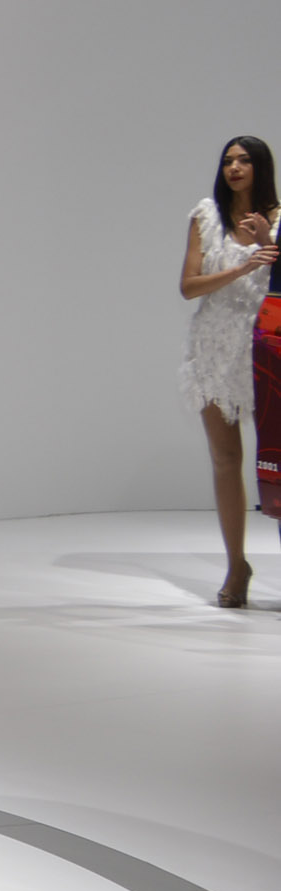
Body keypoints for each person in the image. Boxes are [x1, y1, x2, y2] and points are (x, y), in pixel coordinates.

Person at [179, 135, 278, 607]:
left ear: (262, 166)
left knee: (277, 462)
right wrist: (241, 267)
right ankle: (236, 565)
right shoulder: (207, 216)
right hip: (216, 347)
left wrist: (266, 244)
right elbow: (189, 285)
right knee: (225, 460)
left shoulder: (279, 219)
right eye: (227, 161)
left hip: (269, 350)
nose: (234, 168)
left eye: (243, 160)